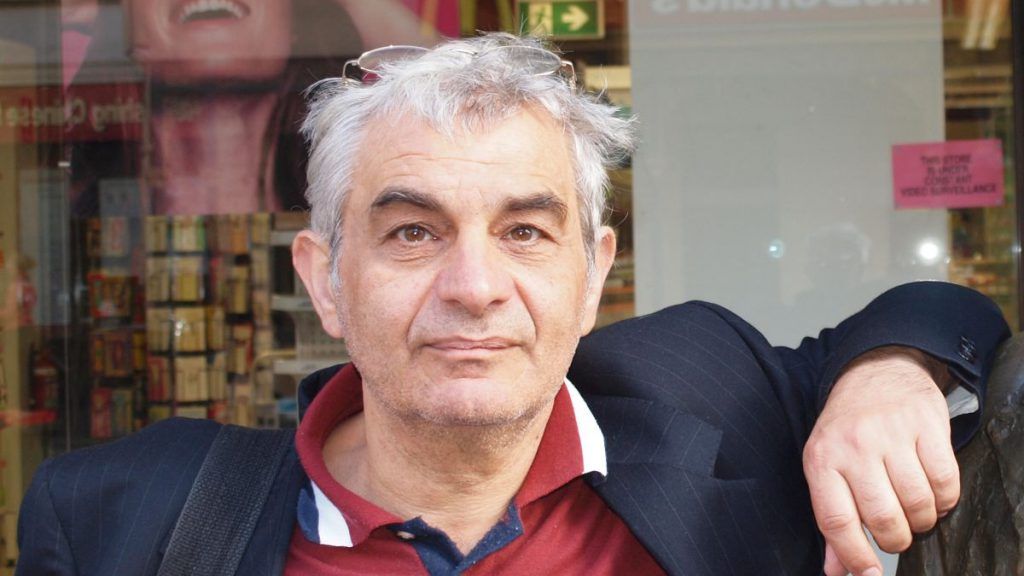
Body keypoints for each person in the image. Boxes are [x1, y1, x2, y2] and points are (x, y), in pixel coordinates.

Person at [17, 33, 1010, 576]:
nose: (475, 285)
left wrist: (889, 374)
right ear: (324, 279)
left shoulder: (709, 397)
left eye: (526, 231)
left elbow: (943, 312)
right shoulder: (120, 516)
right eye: (413, 232)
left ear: (592, 275)